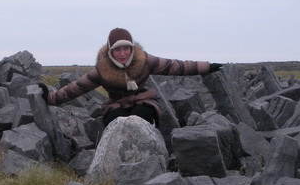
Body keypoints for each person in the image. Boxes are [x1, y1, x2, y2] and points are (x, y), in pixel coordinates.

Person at [40, 27, 222, 126]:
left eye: (126, 48)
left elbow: (176, 66)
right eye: (117, 49)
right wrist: (50, 97)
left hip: (143, 101)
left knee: (140, 117)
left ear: (131, 48)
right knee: (117, 122)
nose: (122, 53)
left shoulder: (145, 61)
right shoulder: (102, 70)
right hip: (115, 106)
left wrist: (207, 67)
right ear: (111, 51)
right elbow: (77, 88)